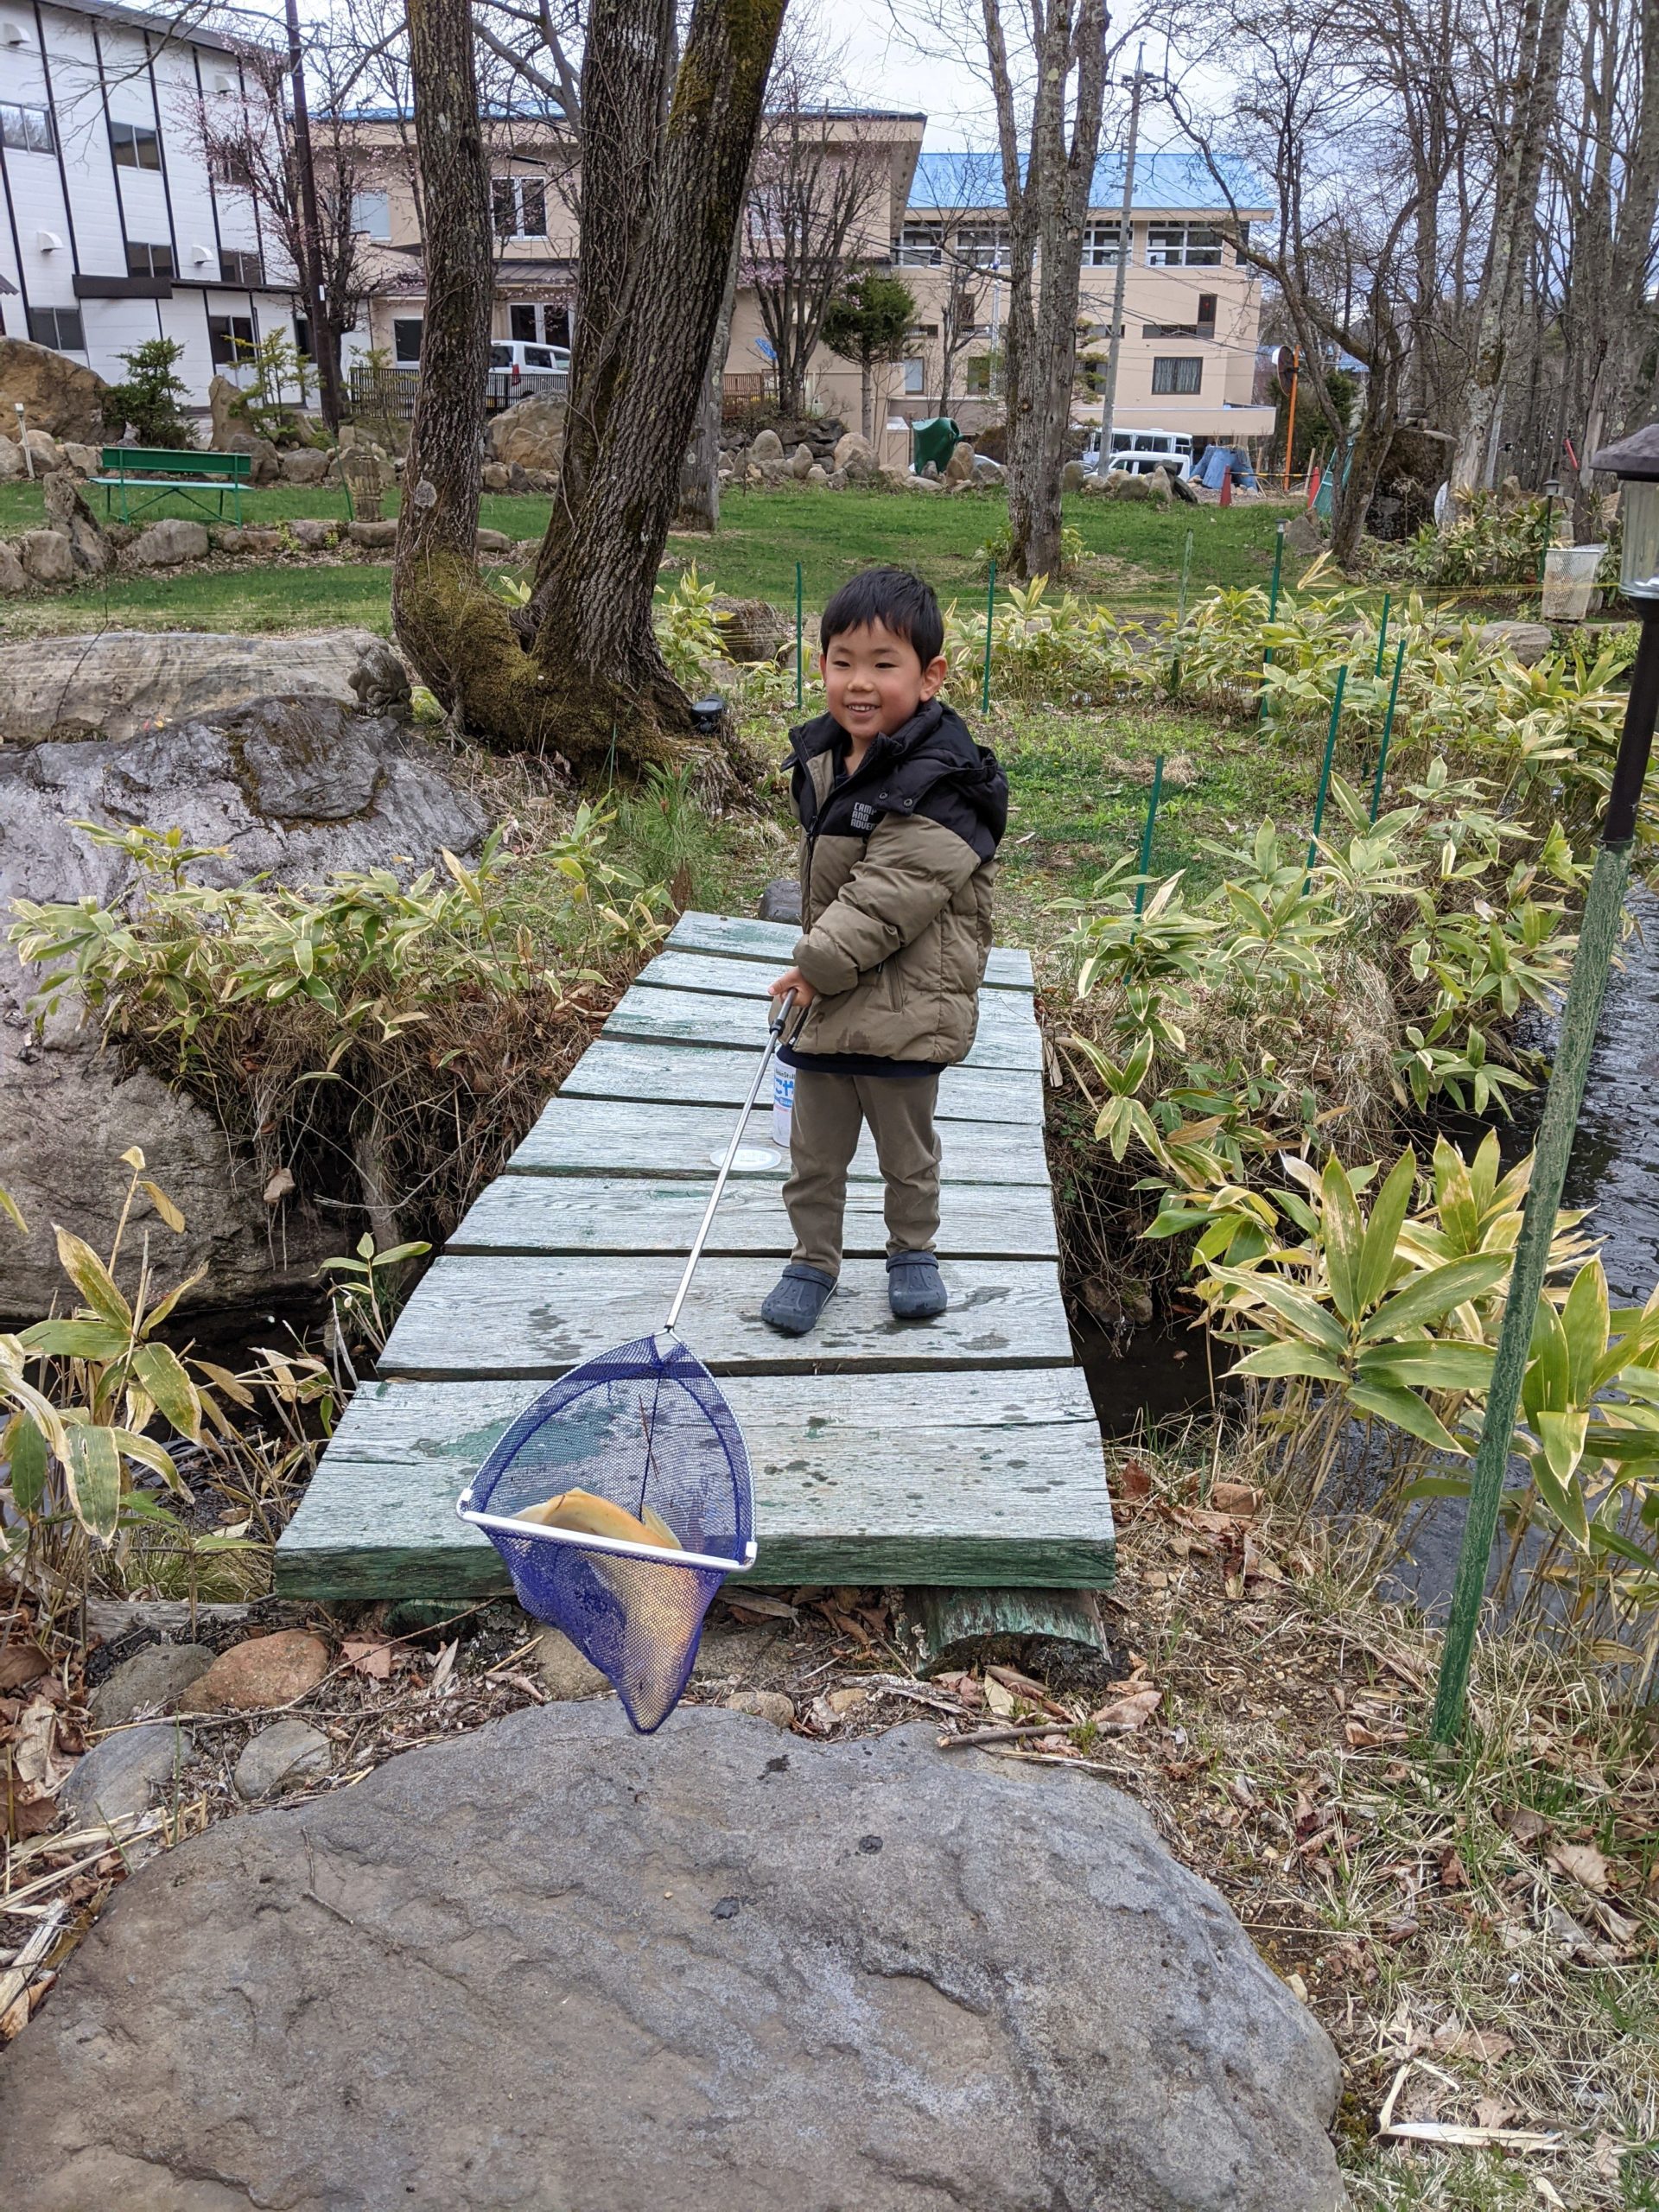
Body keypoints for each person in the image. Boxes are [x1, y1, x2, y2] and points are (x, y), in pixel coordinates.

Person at [761, 566, 1008, 1336]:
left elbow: (890, 894)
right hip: (831, 1006)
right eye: (843, 662)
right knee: (814, 1153)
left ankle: (912, 1250)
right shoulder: (829, 757)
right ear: (822, 665)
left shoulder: (946, 780)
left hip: (907, 1006)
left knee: (907, 1152)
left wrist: (814, 966)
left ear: (930, 676)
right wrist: (822, 972)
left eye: (883, 664)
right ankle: (813, 1259)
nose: (859, 683)